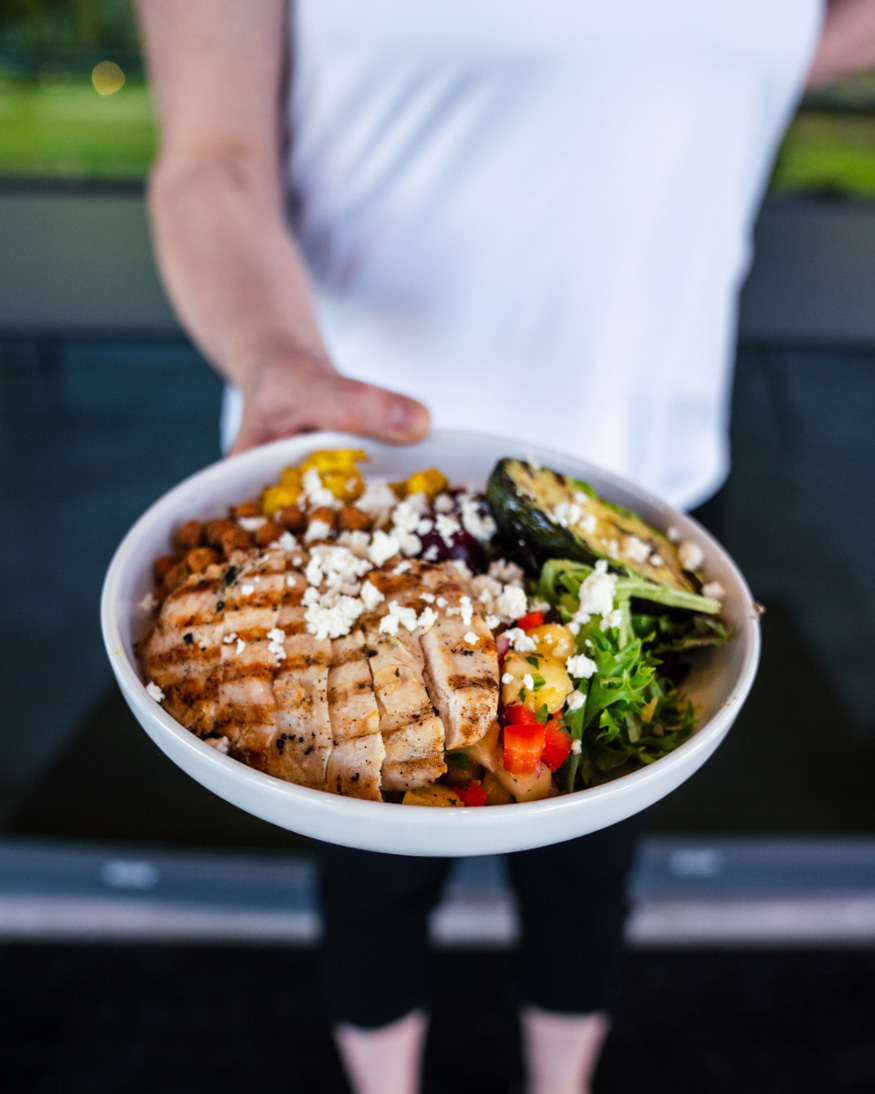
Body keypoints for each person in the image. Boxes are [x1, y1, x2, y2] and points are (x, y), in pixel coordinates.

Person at [134, 2, 875, 1090]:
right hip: (360, 483)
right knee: (370, 853)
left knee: (590, 856)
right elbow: (212, 161)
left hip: (643, 486)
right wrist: (274, 355)